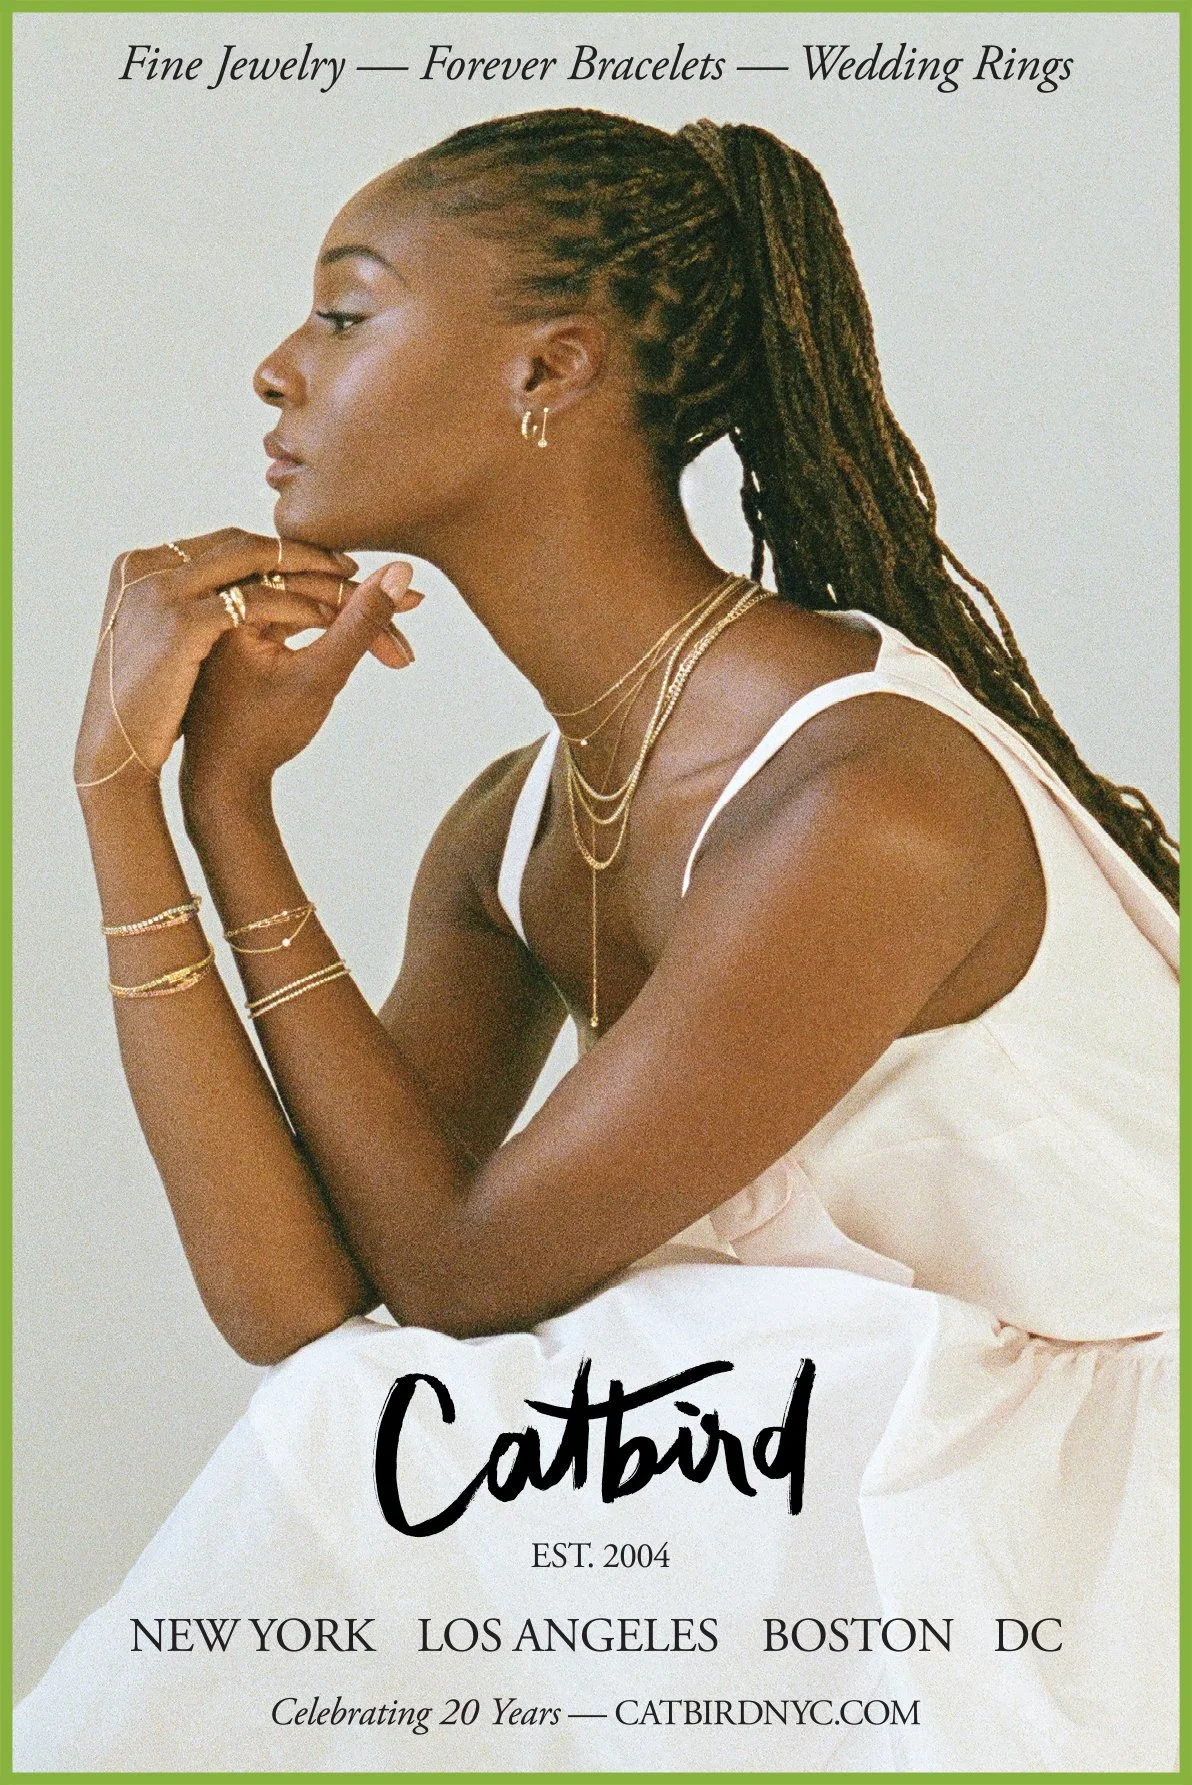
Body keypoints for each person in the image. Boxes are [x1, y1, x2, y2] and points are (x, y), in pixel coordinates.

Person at [17, 109, 1177, 1771]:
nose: (277, 368)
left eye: (344, 314)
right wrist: (167, 803)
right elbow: (302, 1303)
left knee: (485, 1407)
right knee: (388, 1414)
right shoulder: (521, 824)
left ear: (550, 373)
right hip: (857, 1487)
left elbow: (468, 1275)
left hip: (1084, 1549)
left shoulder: (865, 801)